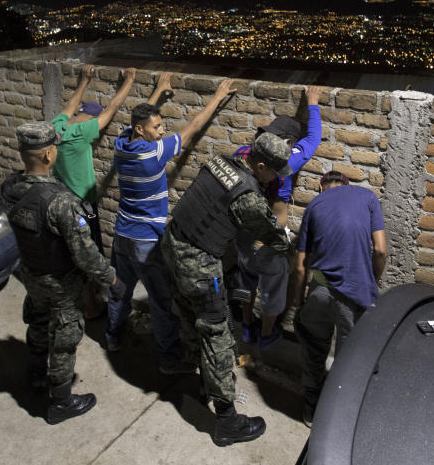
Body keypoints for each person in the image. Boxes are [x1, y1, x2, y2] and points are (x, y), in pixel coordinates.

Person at [161, 131, 293, 446]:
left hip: (173, 244)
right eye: (274, 171)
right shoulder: (248, 195)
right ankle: (226, 420)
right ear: (260, 165)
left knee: (189, 315)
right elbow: (269, 232)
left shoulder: (220, 162)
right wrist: (285, 239)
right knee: (218, 335)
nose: (276, 178)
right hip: (199, 264)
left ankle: (199, 376)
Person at [105, 74, 235, 375]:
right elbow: (192, 129)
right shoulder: (152, 153)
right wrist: (217, 96)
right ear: (141, 130)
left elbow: (136, 119)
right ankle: (169, 359)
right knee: (161, 302)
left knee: (119, 292)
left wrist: (157, 94)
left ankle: (112, 337)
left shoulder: (121, 144)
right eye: (157, 127)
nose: (162, 132)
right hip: (146, 241)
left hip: (122, 233)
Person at [0, 121, 126, 424]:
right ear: (47, 155)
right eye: (54, 147)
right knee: (65, 338)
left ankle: (35, 372)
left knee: (39, 321)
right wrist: (111, 278)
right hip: (60, 281)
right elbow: (85, 254)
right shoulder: (61, 202)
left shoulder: (11, 187)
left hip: (30, 273)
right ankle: (61, 401)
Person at [294, 170, 387, 427]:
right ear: (347, 184)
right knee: (349, 359)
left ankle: (311, 409)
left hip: (320, 291)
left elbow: (301, 267)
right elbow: (380, 250)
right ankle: (338, 419)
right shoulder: (368, 198)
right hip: (354, 295)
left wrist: (298, 303)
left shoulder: (314, 205)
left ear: (321, 186)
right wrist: (373, 279)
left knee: (314, 349)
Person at [235, 85, 324, 349]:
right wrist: (314, 103)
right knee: (273, 286)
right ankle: (266, 334)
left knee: (247, 282)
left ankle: (247, 329)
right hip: (267, 235)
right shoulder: (287, 163)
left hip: (241, 232)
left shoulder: (243, 154)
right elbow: (313, 140)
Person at [51, 64, 137, 318]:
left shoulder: (59, 126)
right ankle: (91, 306)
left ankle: (75, 299)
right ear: (90, 119)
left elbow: (68, 107)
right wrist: (129, 81)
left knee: (68, 252)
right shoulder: (81, 132)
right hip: (82, 206)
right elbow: (112, 109)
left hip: (60, 201)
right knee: (89, 254)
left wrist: (84, 80)